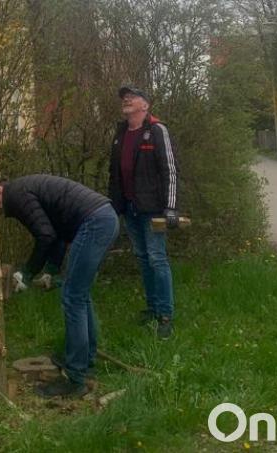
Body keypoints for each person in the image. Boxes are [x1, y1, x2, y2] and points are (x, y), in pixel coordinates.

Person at [0, 175, 119, 398]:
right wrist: (51, 270)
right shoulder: (24, 188)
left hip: (95, 222)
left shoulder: (14, 194)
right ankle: (85, 362)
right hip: (104, 218)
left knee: (73, 297)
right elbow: (57, 233)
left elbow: (45, 235)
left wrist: (26, 273)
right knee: (80, 295)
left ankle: (75, 378)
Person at [108, 86, 179, 339]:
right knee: (142, 258)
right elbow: (114, 173)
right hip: (130, 208)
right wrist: (114, 205)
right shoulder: (120, 133)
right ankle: (152, 308)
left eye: (133, 96)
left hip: (153, 209)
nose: (126, 99)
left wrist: (171, 207)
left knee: (157, 258)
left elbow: (170, 169)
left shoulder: (157, 130)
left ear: (145, 105)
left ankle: (165, 316)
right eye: (124, 97)